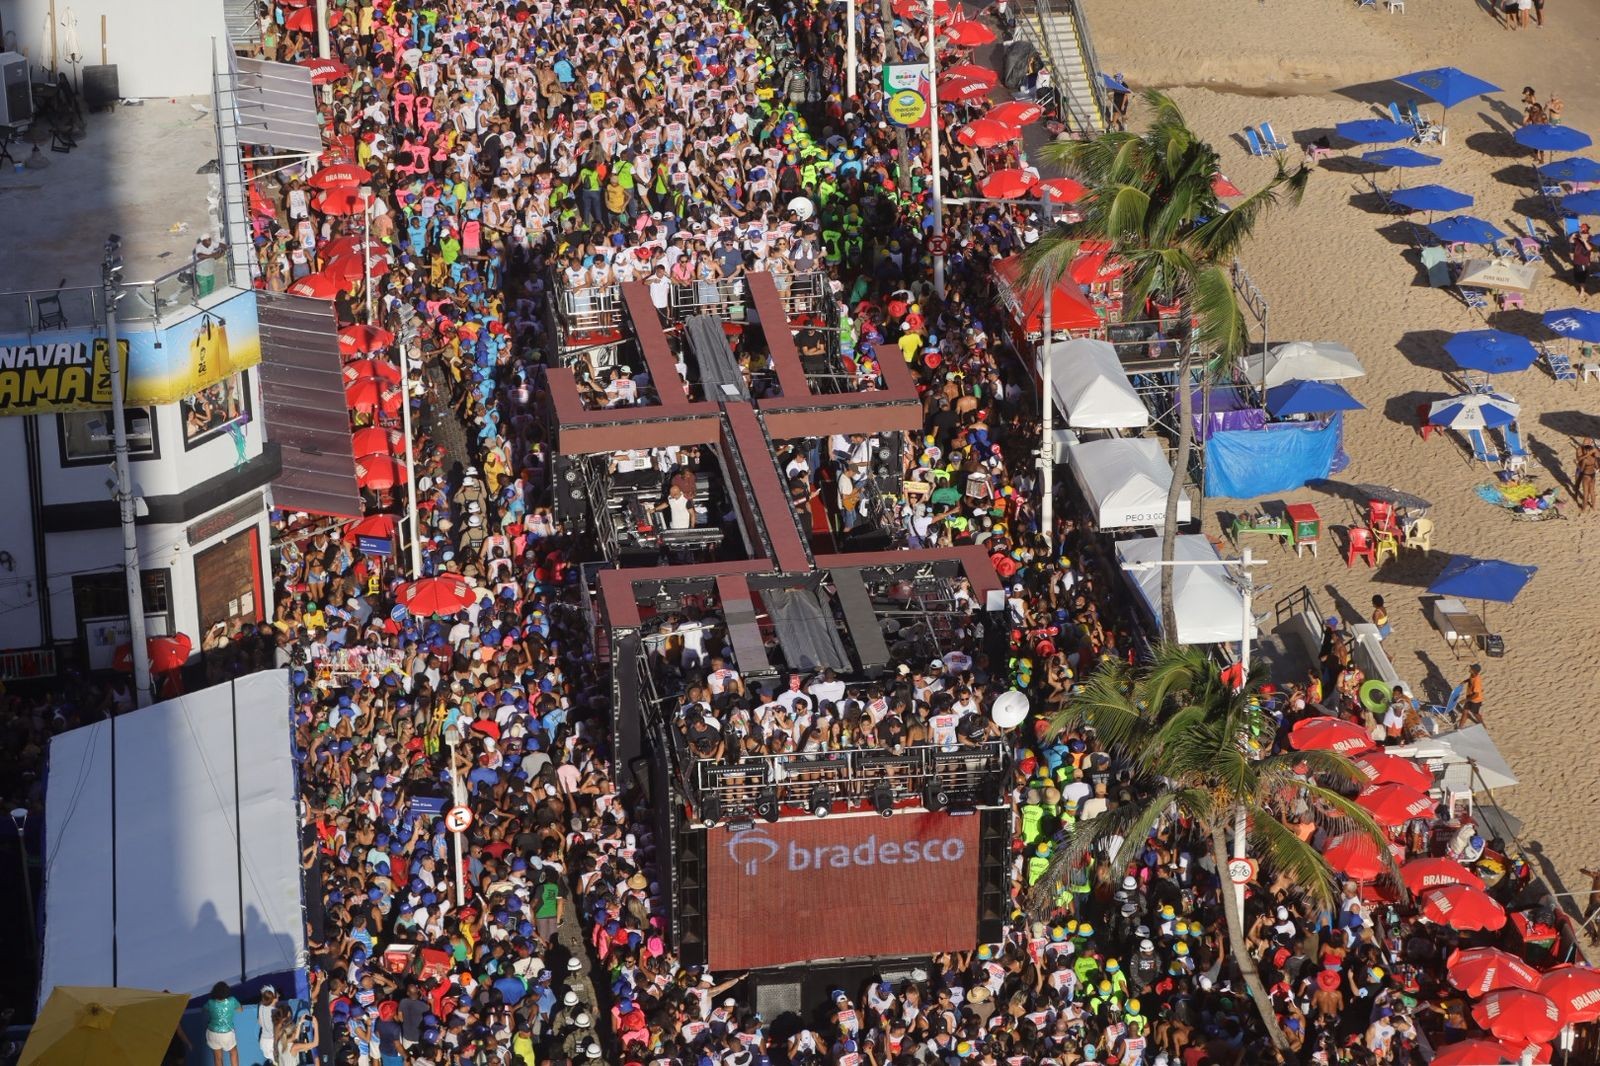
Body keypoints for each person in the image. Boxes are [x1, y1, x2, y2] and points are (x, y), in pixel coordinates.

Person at [203, 982, 242, 1066]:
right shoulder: (232, 1000)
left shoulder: (210, 1002)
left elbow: (204, 1010)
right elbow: (240, 1010)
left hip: (213, 1033)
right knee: (233, 1053)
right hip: (227, 1034)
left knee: (218, 1058)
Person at [193, 232, 228, 297]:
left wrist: (223, 251)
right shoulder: (199, 247)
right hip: (202, 275)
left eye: (210, 239)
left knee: (210, 292)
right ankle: (202, 302)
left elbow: (222, 245)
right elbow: (200, 256)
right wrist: (213, 255)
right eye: (207, 240)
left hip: (210, 273)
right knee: (204, 293)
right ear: (203, 241)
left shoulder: (211, 243)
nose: (210, 241)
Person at [1574, 437, 1599, 510]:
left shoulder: (1585, 459)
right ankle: (1593, 507)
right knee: (1592, 491)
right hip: (1592, 475)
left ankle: (1583, 509)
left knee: (1585, 493)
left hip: (1585, 475)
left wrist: (1576, 464)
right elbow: (1597, 466)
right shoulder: (1593, 457)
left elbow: (1581, 469)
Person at [1570, 231, 1591, 298]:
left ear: (1588, 234)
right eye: (1582, 233)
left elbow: (1589, 248)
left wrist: (1584, 241)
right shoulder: (1578, 240)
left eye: (1585, 234)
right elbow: (1571, 241)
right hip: (1576, 261)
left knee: (1582, 278)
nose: (1583, 235)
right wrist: (1572, 236)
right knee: (1578, 276)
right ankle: (1582, 287)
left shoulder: (1589, 240)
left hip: (1583, 262)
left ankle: (1582, 292)